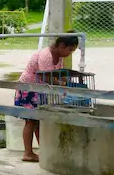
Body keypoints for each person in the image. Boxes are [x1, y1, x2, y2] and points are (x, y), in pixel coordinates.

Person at [14, 34, 80, 162]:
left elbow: (58, 74)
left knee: (39, 121)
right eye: (70, 50)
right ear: (61, 45)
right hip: (29, 88)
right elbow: (47, 78)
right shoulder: (46, 55)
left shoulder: (59, 57)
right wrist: (63, 85)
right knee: (31, 121)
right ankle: (28, 153)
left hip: (39, 90)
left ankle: (43, 151)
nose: (70, 53)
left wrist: (65, 81)